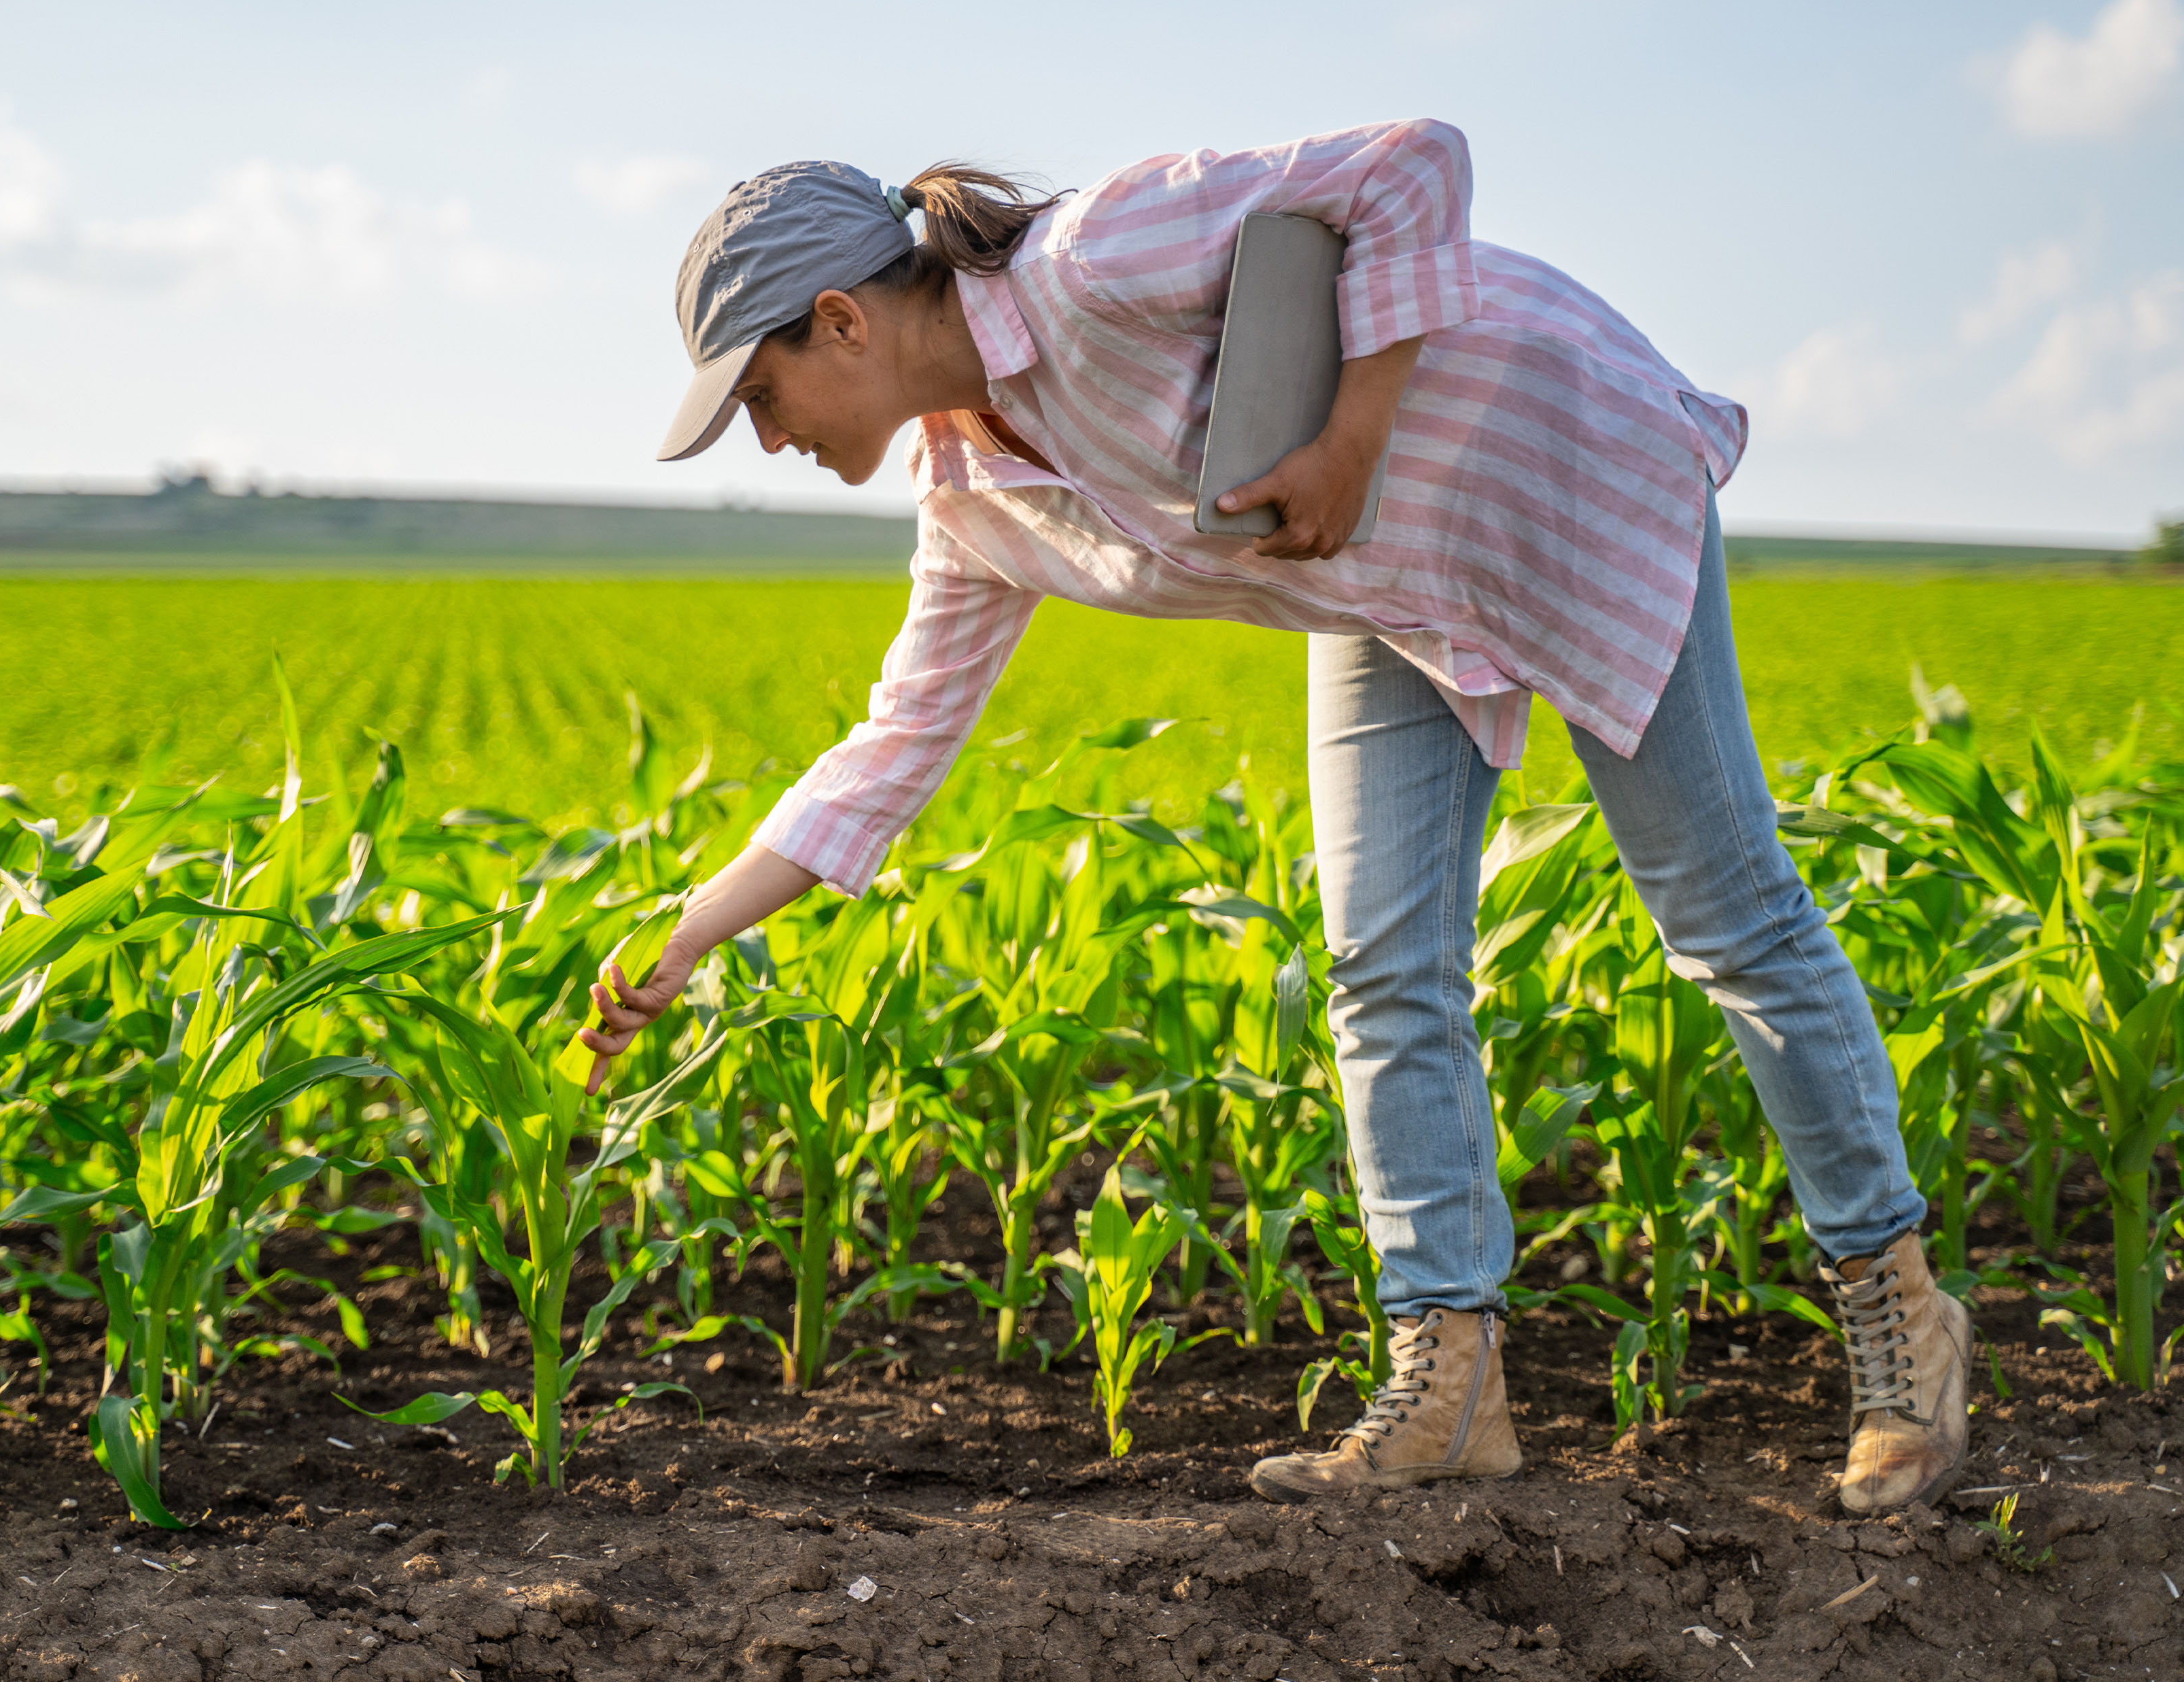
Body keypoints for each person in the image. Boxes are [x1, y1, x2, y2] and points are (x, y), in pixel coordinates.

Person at [583, 124, 1967, 1515]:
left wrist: (1355, 438)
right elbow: (894, 742)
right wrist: (693, 934)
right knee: (1381, 964)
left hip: (1550, 466)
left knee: (1722, 910)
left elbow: (1411, 164)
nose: (766, 436)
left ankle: (1902, 1321)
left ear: (839, 320)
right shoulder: (975, 499)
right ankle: (1453, 1381)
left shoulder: (1091, 260)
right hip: (1388, 586)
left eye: (761, 393)